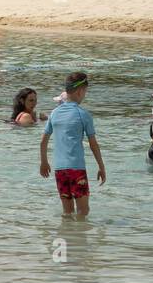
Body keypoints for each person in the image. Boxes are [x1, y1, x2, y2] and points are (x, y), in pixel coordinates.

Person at [39, 72, 106, 218]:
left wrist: (44, 162)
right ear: (80, 91)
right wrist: (101, 166)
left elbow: (43, 141)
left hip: (59, 170)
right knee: (83, 211)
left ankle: (68, 236)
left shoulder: (54, 113)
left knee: (67, 212)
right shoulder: (83, 114)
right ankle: (80, 239)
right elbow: (93, 144)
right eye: (85, 92)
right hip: (77, 169)